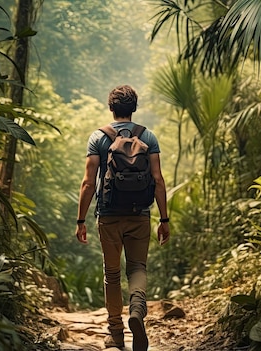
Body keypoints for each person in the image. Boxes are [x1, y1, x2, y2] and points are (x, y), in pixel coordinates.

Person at [75, 85, 170, 351]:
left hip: (108, 215)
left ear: (111, 108)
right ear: (134, 108)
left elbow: (88, 183)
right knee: (138, 267)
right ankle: (137, 310)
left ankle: (115, 333)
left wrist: (80, 220)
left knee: (112, 273)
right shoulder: (147, 136)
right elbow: (158, 180)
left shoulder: (98, 138)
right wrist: (164, 219)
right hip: (139, 214)